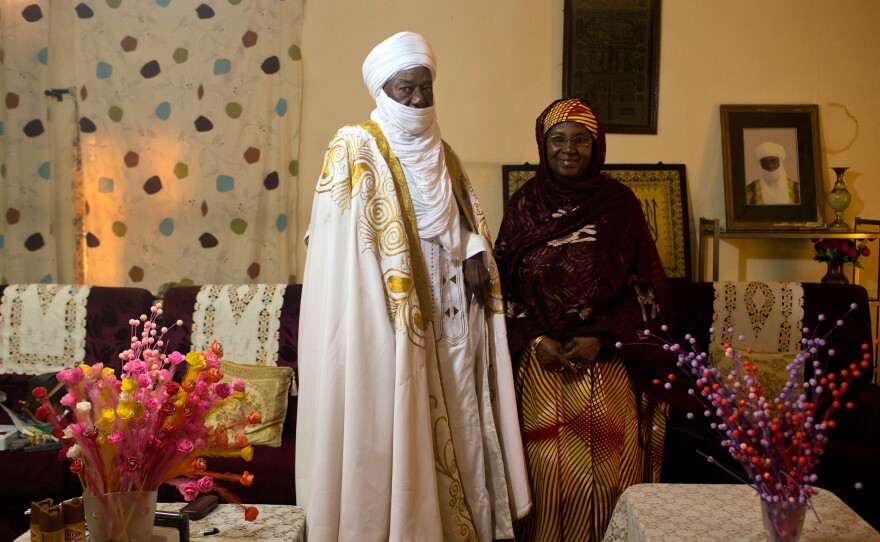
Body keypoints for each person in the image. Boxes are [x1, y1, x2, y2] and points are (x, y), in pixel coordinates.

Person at [295, 31, 531, 541]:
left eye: (426, 87)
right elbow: (337, 244)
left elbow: (460, 225)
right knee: (397, 428)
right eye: (407, 89)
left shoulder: (444, 153)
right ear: (382, 90)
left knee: (461, 425)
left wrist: (472, 250)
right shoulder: (353, 146)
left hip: (452, 321)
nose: (419, 100)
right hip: (387, 325)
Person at [494, 98, 673, 542]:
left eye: (580, 140)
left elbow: (644, 289)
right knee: (543, 475)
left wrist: (603, 336)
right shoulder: (524, 205)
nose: (568, 149)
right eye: (558, 139)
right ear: (543, 143)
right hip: (540, 365)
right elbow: (502, 289)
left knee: (611, 470)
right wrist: (536, 341)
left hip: (606, 362)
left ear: (597, 146)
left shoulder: (619, 204)